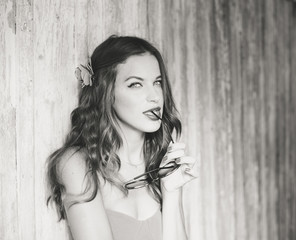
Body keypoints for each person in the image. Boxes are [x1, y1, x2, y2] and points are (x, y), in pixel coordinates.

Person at [46, 35, 198, 240]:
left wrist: (171, 192)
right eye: (136, 84)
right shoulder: (78, 164)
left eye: (157, 82)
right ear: (106, 93)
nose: (154, 96)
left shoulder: (158, 167)